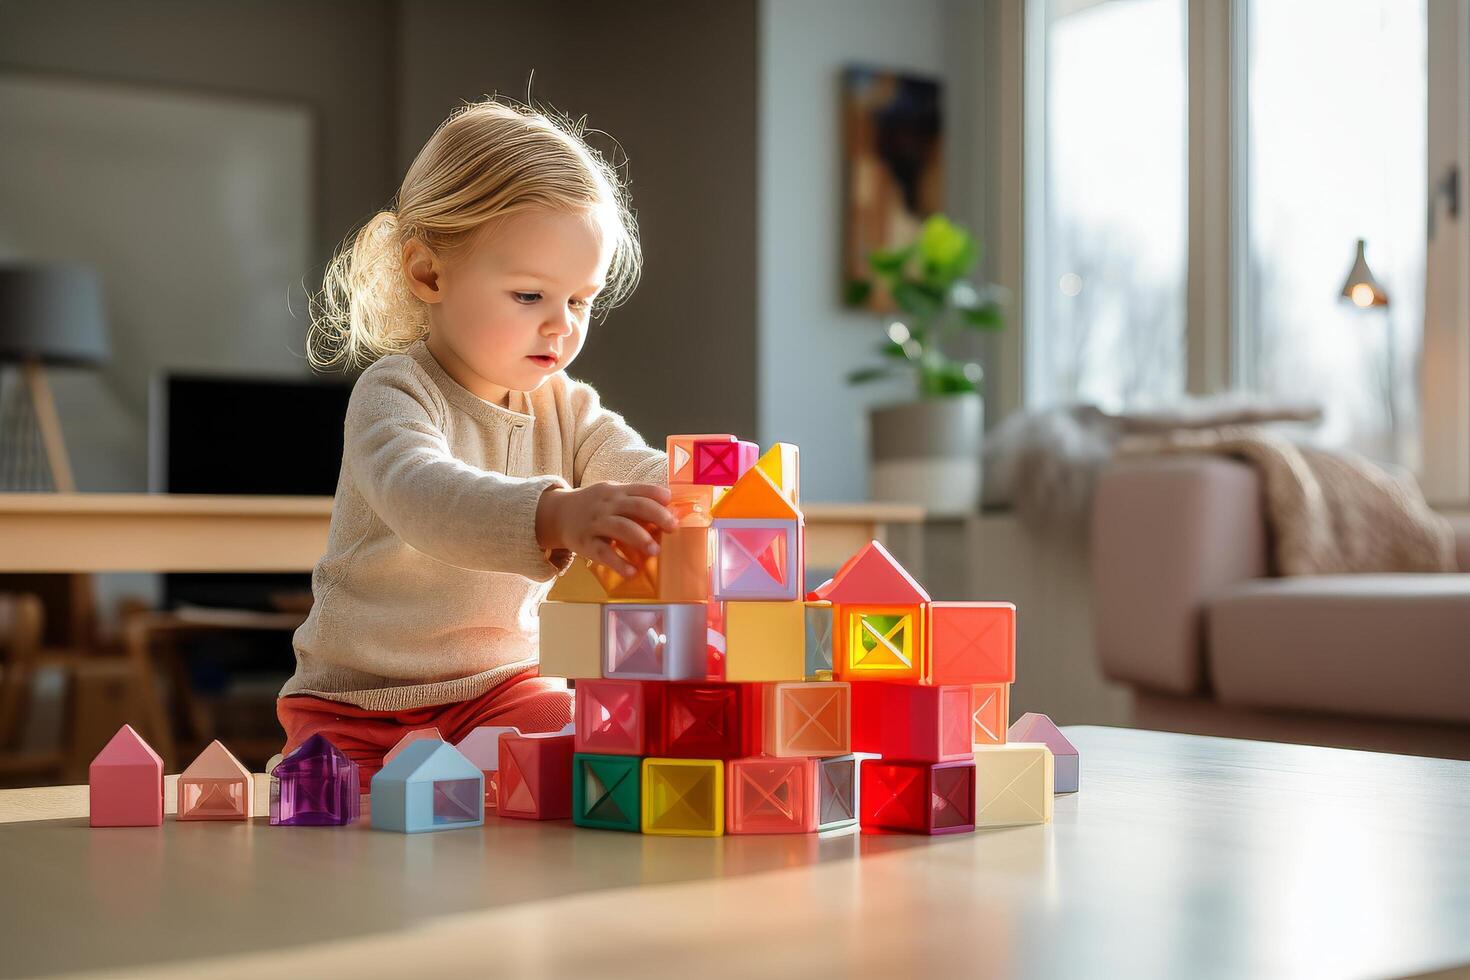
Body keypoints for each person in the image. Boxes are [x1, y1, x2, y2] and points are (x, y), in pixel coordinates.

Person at [277, 97, 673, 789]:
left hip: (500, 689)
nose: (562, 327)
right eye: (529, 296)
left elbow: (634, 466)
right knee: (338, 826)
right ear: (428, 274)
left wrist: (709, 488)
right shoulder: (394, 393)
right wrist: (554, 514)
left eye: (579, 301)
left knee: (585, 753)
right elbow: (425, 496)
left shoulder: (567, 406)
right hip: (355, 702)